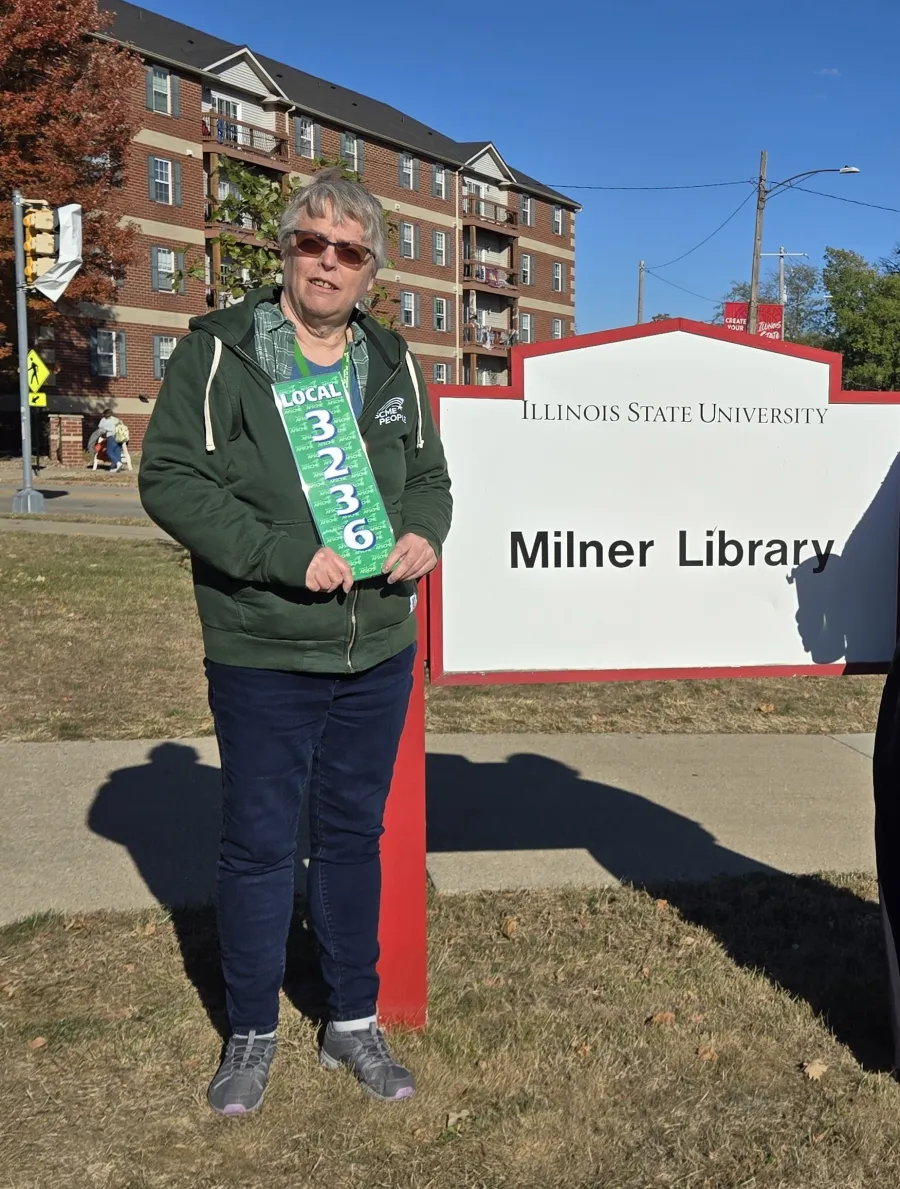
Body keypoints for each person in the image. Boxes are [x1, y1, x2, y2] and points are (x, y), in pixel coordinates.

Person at [139, 169, 452, 1116]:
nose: (326, 262)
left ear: (371, 273)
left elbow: (431, 477)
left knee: (355, 836)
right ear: (284, 252)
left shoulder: (394, 362)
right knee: (261, 844)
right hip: (263, 644)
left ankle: (352, 1017)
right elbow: (170, 479)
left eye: (348, 252)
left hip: (375, 646)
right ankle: (251, 1028)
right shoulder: (220, 354)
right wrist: (279, 555)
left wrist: (427, 533)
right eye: (311, 243)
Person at [97, 408, 124, 473]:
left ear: (105, 414)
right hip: (119, 437)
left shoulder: (104, 420)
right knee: (117, 452)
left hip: (111, 437)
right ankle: (115, 467)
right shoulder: (116, 419)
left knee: (109, 452)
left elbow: (100, 427)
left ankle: (118, 463)